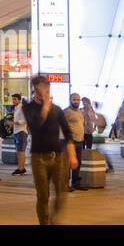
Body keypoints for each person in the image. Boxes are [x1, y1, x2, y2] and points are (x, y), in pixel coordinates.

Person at [22, 75, 77, 225]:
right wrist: (45, 107)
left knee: (61, 193)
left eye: (46, 89)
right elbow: (35, 126)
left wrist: (72, 154)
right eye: (40, 89)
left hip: (57, 157)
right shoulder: (28, 108)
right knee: (43, 195)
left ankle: (54, 220)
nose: (44, 92)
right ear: (35, 90)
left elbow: (67, 132)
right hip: (38, 158)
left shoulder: (57, 110)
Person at [64, 93, 86, 190]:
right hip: (70, 142)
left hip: (80, 141)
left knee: (77, 163)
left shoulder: (80, 112)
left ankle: (75, 183)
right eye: (74, 99)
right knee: (67, 164)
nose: (76, 101)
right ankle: (64, 184)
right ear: (70, 100)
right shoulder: (66, 112)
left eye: (78, 99)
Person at [11, 92, 29, 175]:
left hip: (21, 131)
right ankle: (21, 167)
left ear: (19, 99)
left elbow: (25, 120)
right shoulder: (16, 108)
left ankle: (21, 168)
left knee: (21, 151)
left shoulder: (22, 108)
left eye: (15, 99)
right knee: (18, 151)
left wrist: (14, 123)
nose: (13, 101)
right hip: (16, 131)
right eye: (12, 99)